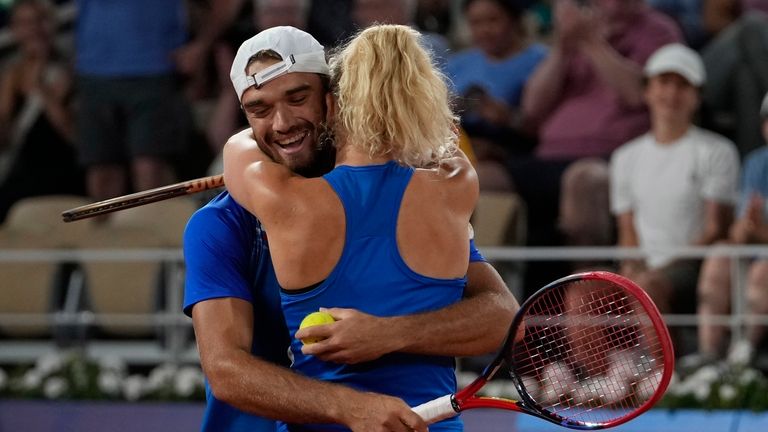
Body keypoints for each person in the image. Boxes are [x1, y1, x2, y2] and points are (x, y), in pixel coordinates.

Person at [184, 25, 518, 432]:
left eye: (297, 98)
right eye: (260, 109)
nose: (282, 122)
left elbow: (502, 318)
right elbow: (226, 371)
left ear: (333, 99)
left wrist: (388, 334)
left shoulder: (278, 194)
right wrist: (351, 406)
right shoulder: (448, 185)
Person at [610, 43, 739, 324]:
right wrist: (633, 266)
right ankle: (597, 368)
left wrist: (656, 270)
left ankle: (664, 367)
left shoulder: (718, 151)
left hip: (693, 267)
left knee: (650, 287)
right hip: (644, 270)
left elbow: (716, 229)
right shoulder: (624, 157)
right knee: (581, 294)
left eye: (682, 85)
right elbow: (627, 228)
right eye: (664, 82)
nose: (671, 93)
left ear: (697, 97)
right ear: (648, 90)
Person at [74, 0, 193, 202]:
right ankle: (105, 234)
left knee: (151, 173)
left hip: (154, 69)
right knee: (102, 175)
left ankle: (157, 232)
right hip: (93, 70)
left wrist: (202, 45)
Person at [696, 91, 768, 363]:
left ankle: (744, 354)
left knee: (763, 270)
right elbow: (740, 234)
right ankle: (708, 355)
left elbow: (755, 233)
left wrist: (756, 231)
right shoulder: (757, 163)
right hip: (757, 252)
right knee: (719, 256)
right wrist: (748, 229)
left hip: (763, 261)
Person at [0, 0, 84, 222]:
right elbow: (5, 138)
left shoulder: (72, 71)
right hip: (20, 175)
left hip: (65, 175)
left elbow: (74, 136)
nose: (34, 30)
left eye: (40, 21)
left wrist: (43, 91)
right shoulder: (11, 75)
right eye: (25, 23)